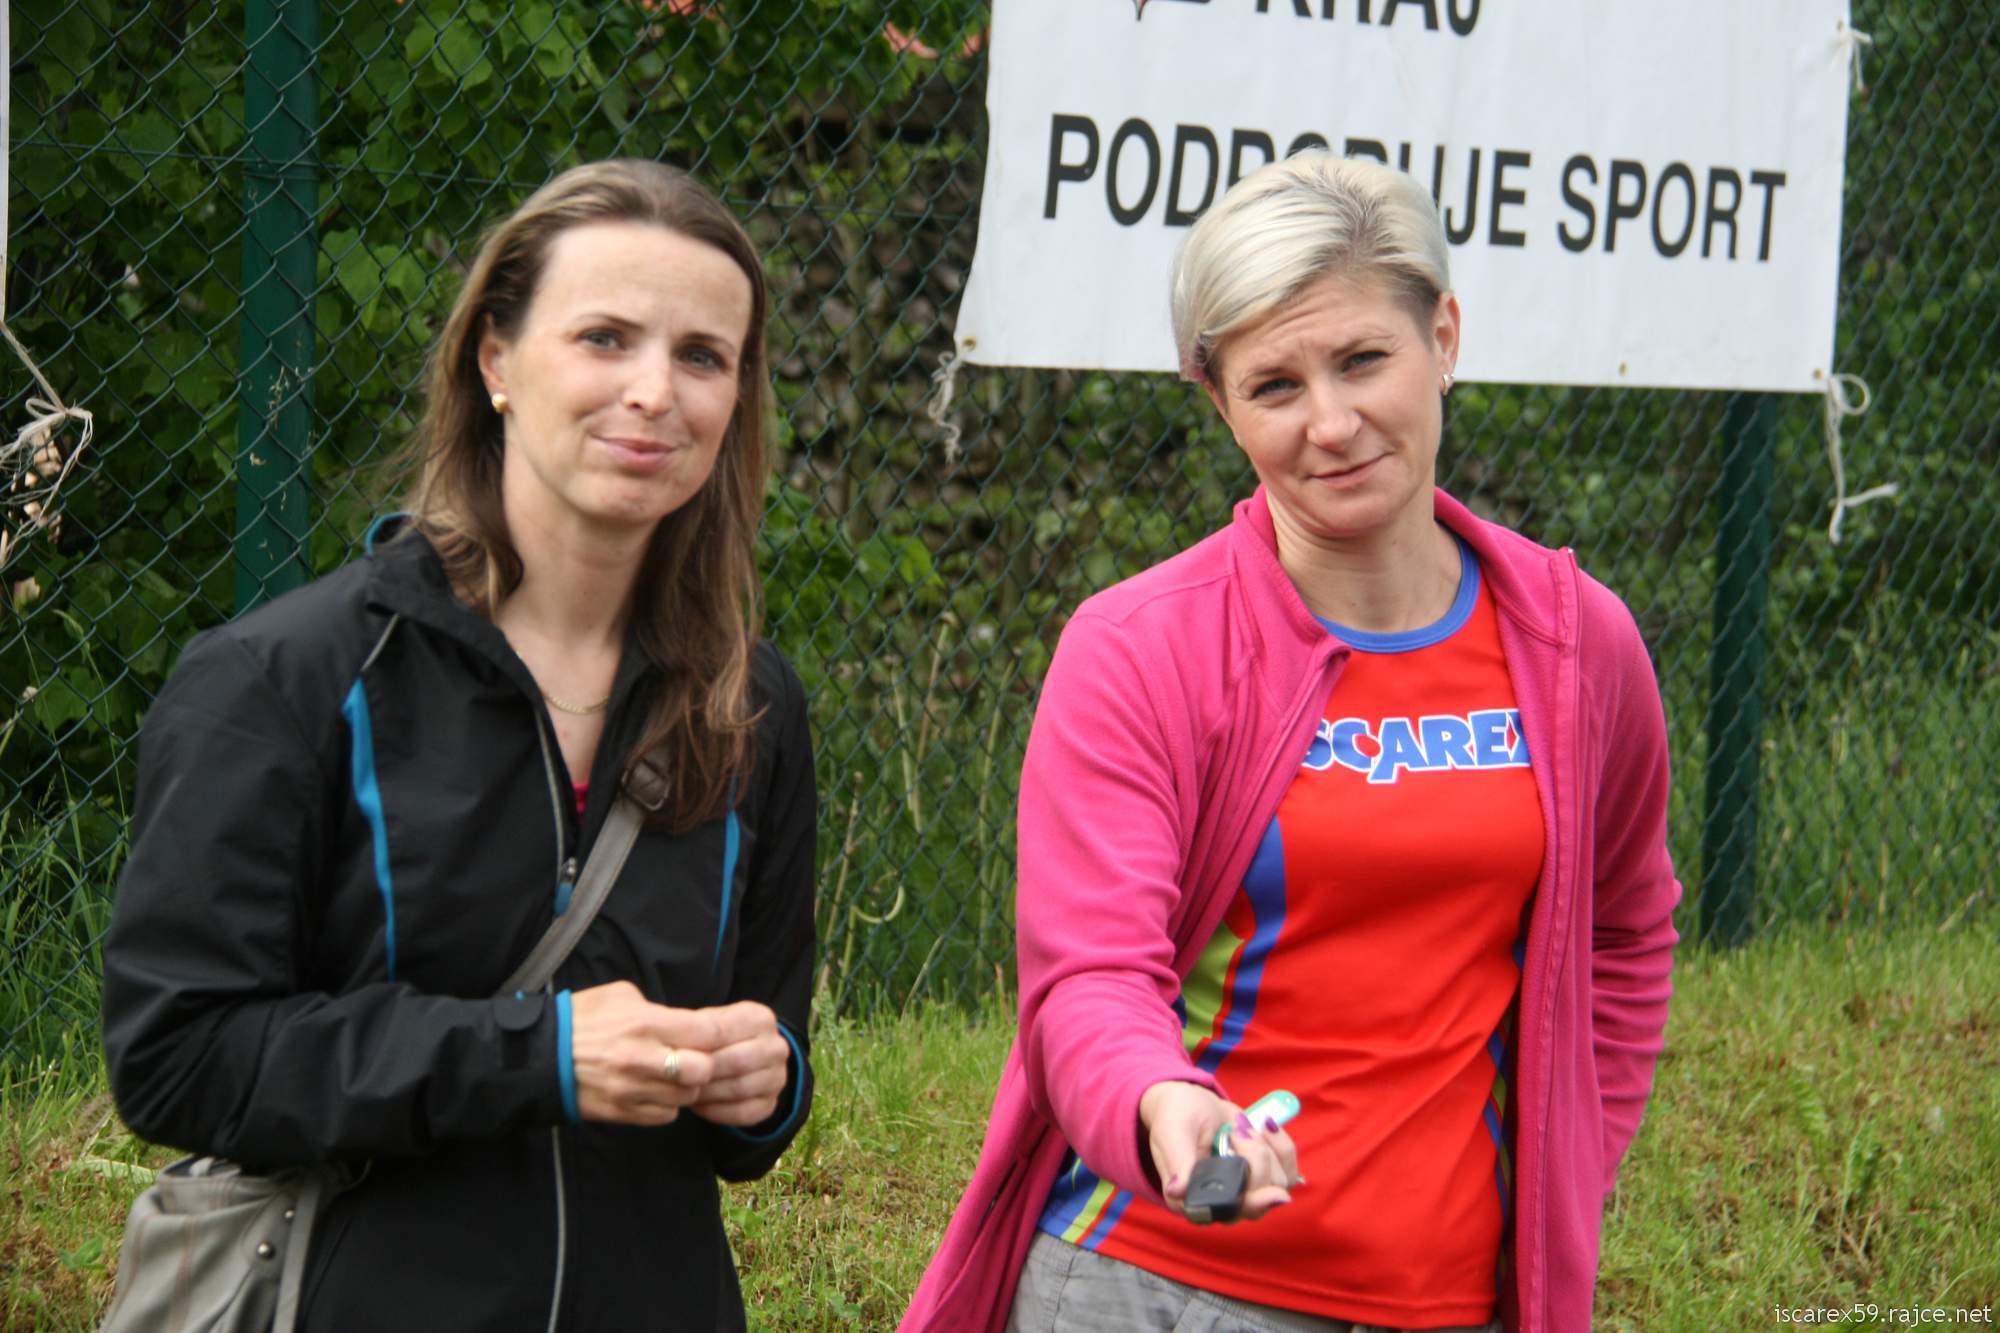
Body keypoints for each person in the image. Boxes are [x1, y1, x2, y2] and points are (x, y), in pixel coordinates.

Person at [902, 153, 1680, 1333]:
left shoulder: (1576, 639)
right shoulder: (1135, 648)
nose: (1330, 423)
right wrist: (1163, 1106)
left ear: (1443, 337)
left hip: (1457, 1301)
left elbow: (1623, 932)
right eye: (1273, 384)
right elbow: (1088, 977)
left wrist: (1572, 1158)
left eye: (1362, 359)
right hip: (1157, 1287)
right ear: (1219, 404)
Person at [101, 159, 817, 1331]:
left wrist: (764, 1078)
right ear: (496, 361)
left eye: (702, 356)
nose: (654, 392)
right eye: (603, 338)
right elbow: (178, 1057)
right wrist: (537, 1054)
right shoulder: (285, 678)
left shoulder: (752, 705)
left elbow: (760, 1089)